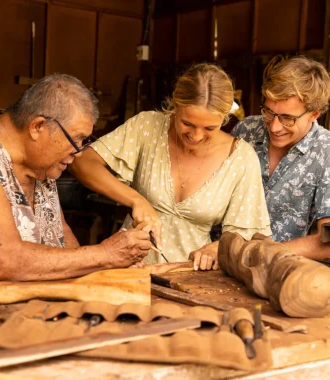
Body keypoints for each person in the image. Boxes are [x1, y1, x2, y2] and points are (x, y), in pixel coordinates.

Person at [70, 63, 271, 269]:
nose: (196, 136)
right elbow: (82, 162)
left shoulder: (241, 158)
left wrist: (218, 248)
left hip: (190, 277)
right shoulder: (146, 126)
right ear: (176, 104)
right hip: (128, 266)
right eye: (187, 124)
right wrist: (136, 200)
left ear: (224, 118)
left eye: (209, 128)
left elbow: (248, 235)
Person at [0, 74, 151, 282]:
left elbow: (62, 239)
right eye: (77, 139)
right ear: (38, 127)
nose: (79, 152)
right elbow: (1, 261)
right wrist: (106, 255)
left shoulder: (41, 162)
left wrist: (106, 267)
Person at [231, 56, 330, 260]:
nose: (274, 127)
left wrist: (258, 253)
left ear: (314, 114)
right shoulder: (246, 130)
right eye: (269, 112)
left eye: (287, 118)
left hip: (285, 271)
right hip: (222, 259)